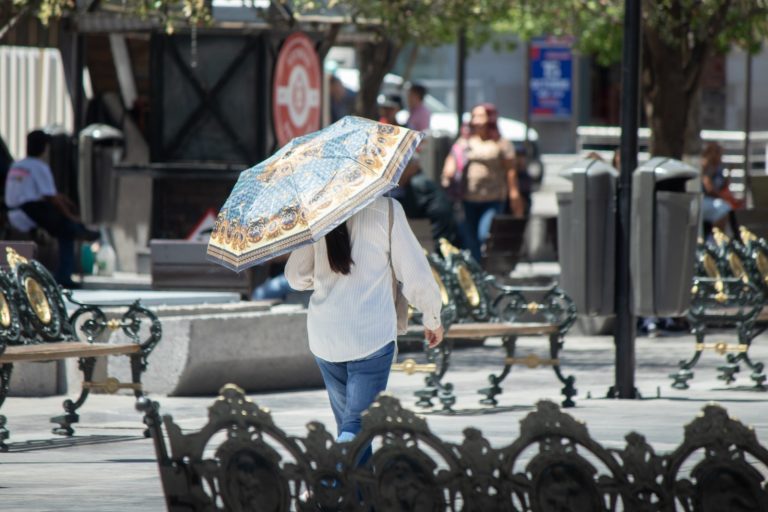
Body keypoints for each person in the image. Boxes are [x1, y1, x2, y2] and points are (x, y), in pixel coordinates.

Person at [285, 196, 444, 465]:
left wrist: (324, 276)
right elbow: (415, 273)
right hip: (370, 335)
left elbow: (295, 276)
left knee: (350, 426)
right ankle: (330, 487)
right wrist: (432, 317)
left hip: (326, 336)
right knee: (357, 427)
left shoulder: (318, 210)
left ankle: (359, 499)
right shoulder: (387, 209)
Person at [4, 130, 99, 287]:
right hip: (30, 210)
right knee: (67, 230)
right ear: (44, 148)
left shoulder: (17, 165)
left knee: (63, 224)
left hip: (13, 211)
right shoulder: (39, 166)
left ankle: (81, 230)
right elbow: (51, 198)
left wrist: (64, 200)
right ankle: (64, 276)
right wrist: (71, 216)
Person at [440, 103, 525, 262]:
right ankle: (478, 272)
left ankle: (486, 267)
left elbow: (511, 171)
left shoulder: (501, 143)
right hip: (468, 198)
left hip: (492, 198)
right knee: (470, 239)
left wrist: (514, 194)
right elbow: (453, 157)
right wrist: (448, 172)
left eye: (481, 116)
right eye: (474, 116)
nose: (476, 120)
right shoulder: (465, 141)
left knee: (484, 234)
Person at [392, 159, 461, 250]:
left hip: (438, 219)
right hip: (439, 217)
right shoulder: (418, 180)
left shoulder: (417, 182)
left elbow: (412, 211)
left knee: (440, 247)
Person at [701, 142, 742, 232]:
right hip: (704, 200)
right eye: (718, 153)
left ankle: (726, 238)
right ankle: (714, 237)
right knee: (724, 208)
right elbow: (709, 188)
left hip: (715, 199)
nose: (720, 156)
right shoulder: (707, 165)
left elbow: (722, 187)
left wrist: (730, 173)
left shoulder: (718, 167)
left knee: (730, 208)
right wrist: (723, 198)